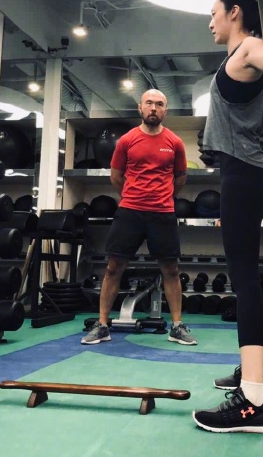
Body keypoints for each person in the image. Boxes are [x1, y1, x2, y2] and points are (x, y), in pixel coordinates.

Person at [191, 0, 263, 433]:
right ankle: (259, 371)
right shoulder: (247, 59)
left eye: (214, 13)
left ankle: (252, 401)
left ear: (234, 13)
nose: (210, 22)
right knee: (245, 276)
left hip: (244, 175)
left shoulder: (249, 49)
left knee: (244, 280)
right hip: (247, 172)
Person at [81, 88, 197, 346]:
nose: (154, 108)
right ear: (140, 108)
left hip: (162, 213)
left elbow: (180, 178)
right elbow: (116, 176)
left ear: (165, 110)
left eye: (159, 104)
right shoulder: (127, 140)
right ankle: (102, 325)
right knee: (113, 267)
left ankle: (177, 327)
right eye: (149, 103)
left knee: (171, 269)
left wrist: (163, 197)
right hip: (130, 212)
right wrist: (133, 197)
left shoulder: (175, 142)